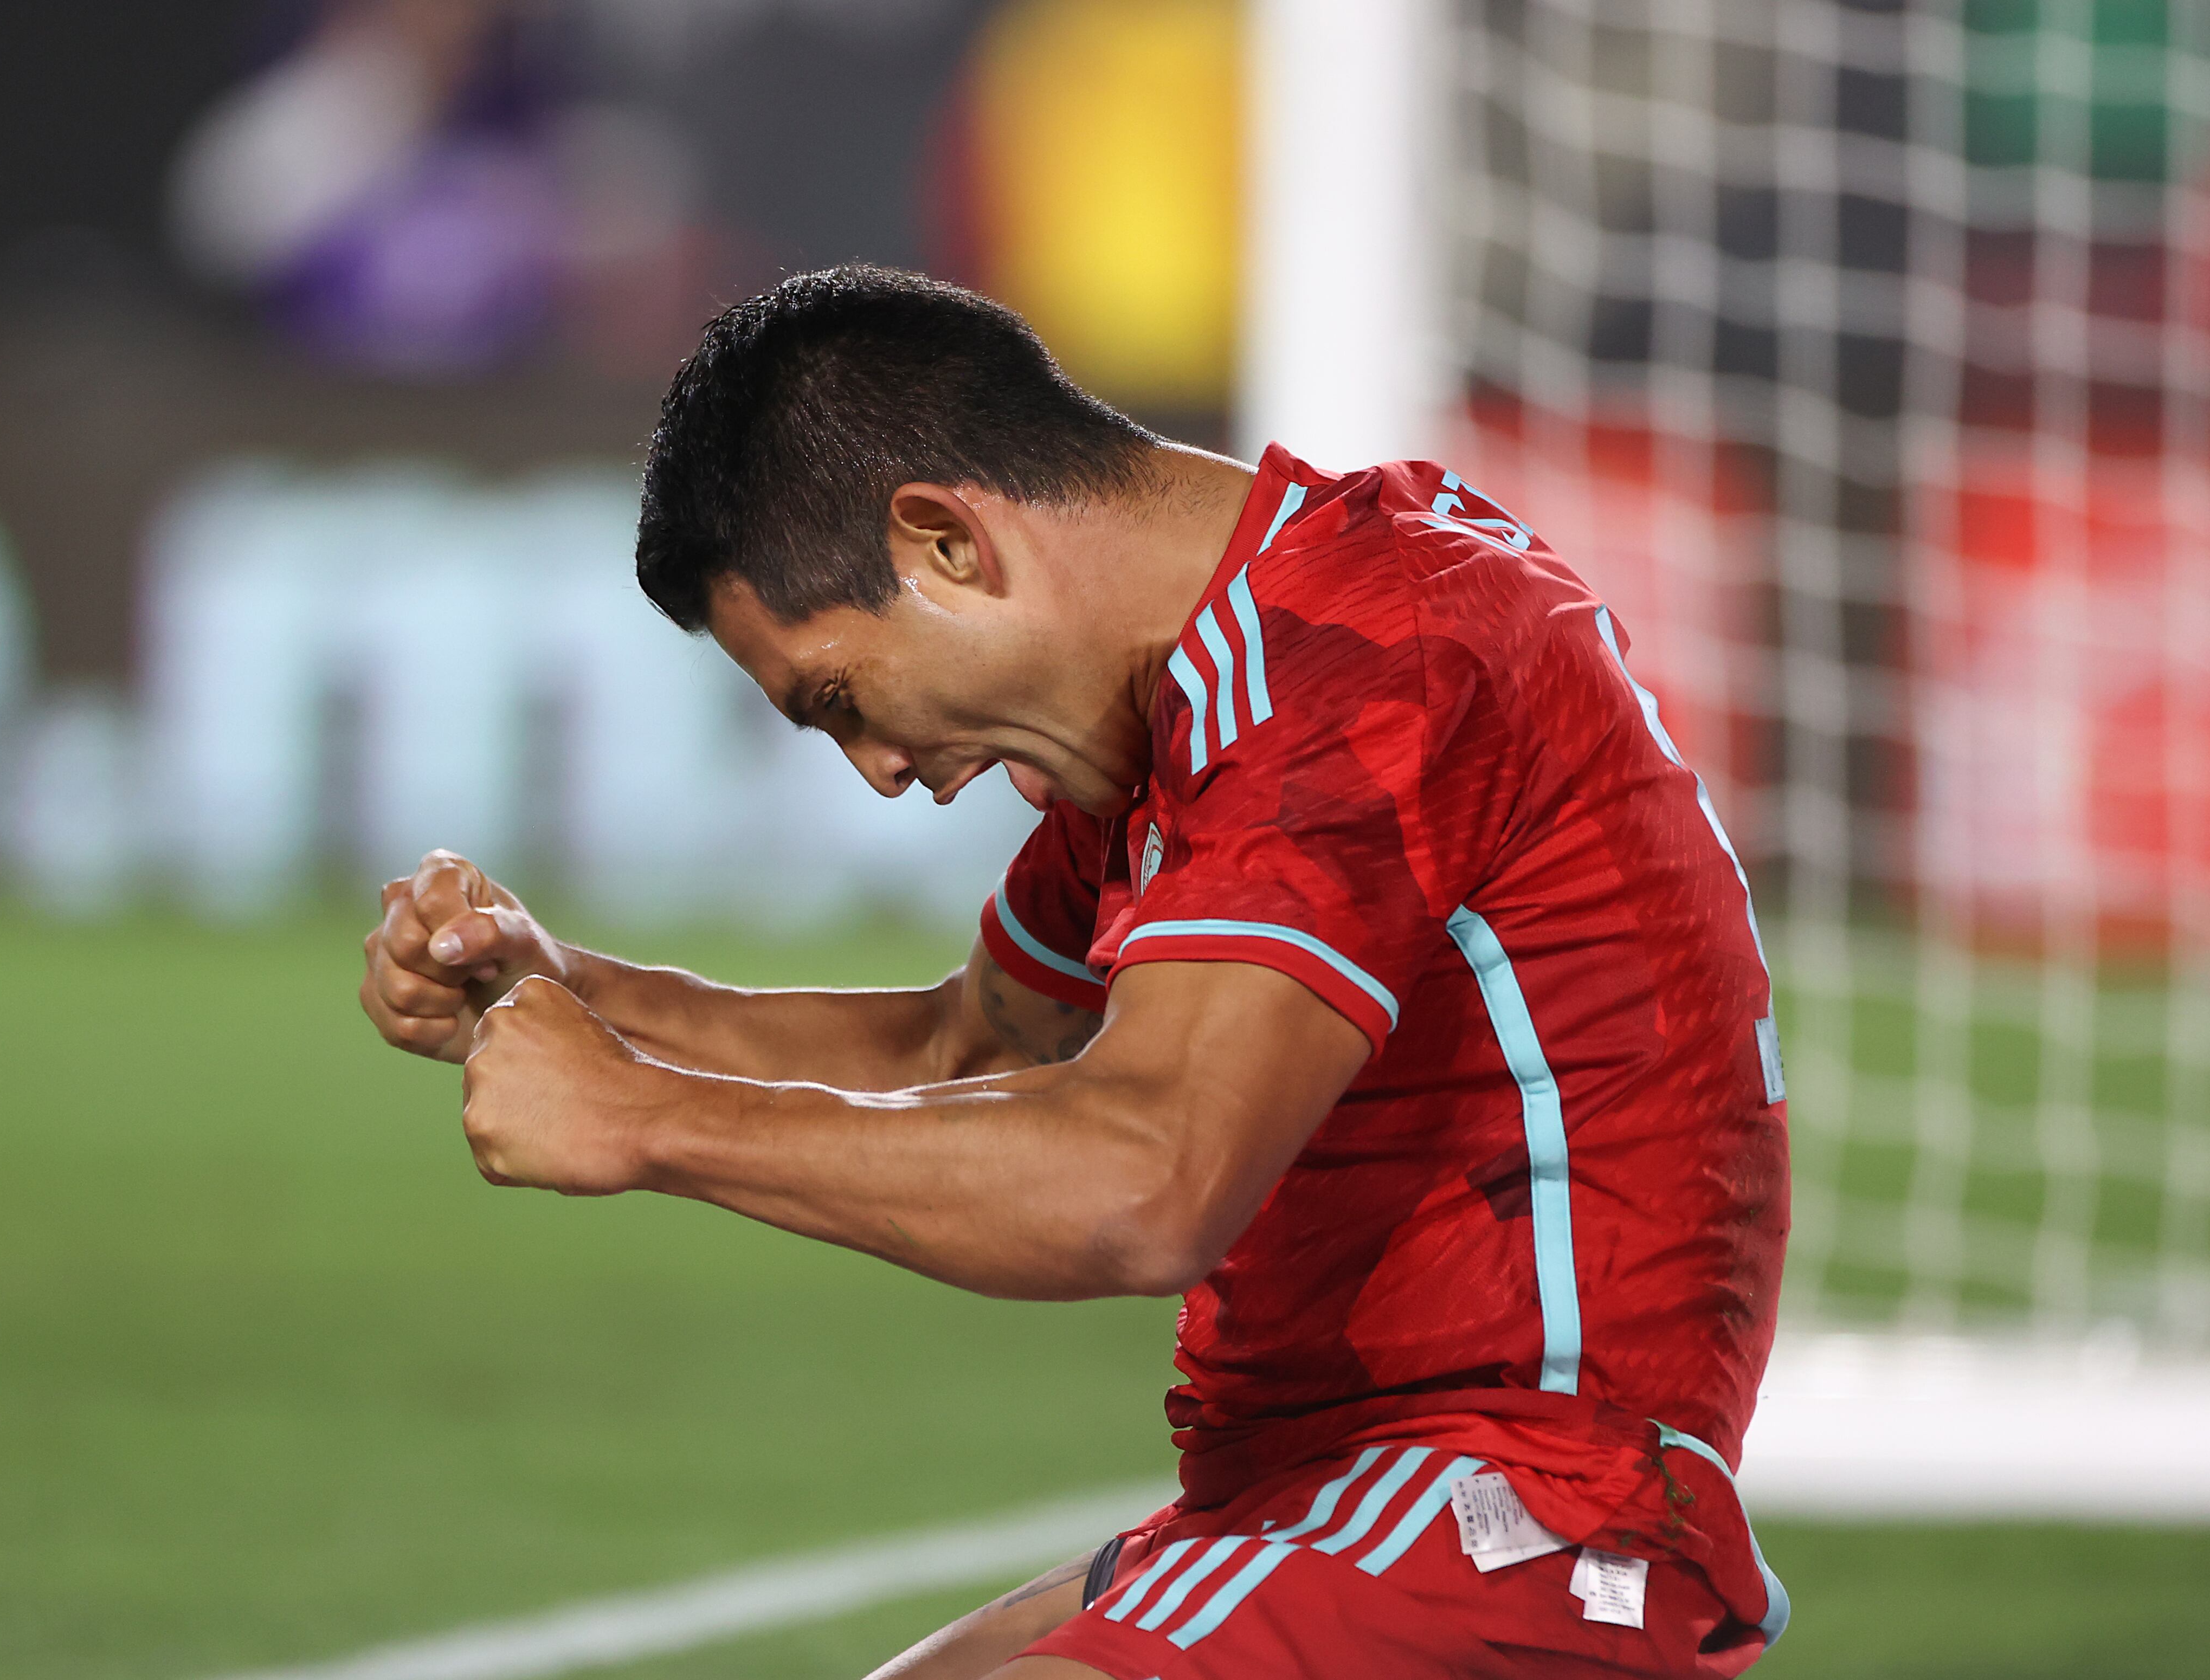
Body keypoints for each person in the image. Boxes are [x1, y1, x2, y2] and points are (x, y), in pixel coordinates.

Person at [357, 266, 1792, 1678]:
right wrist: (564, 992)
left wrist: (640, 1120)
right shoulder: (1190, 701)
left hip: (1523, 1508)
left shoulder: (1356, 654)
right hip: (1324, 1497)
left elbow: (1144, 1180)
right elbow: (968, 1053)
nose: (880, 776)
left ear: (944, 546)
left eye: (841, 702)